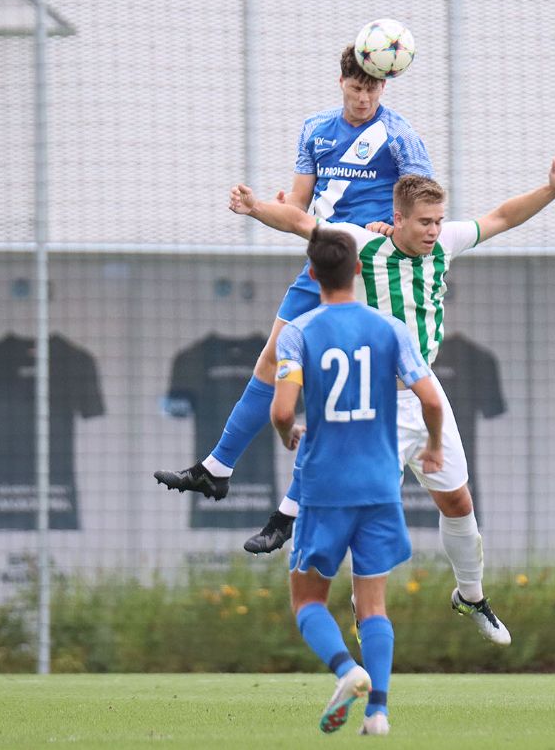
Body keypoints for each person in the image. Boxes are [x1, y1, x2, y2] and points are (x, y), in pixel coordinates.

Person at [230, 157, 555, 646]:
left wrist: (551, 190)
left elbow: (503, 217)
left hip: (422, 390)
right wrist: (255, 208)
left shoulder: (444, 243)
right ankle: (356, 601)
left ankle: (471, 596)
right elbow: (300, 222)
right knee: (366, 507)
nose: (434, 230)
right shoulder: (362, 243)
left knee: (457, 500)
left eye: (439, 220)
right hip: (373, 399)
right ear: (397, 218)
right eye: (424, 222)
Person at [154, 43, 431, 507]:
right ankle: (217, 468)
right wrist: (258, 207)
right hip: (324, 262)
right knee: (271, 358)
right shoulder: (315, 129)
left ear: (385, 85)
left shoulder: (401, 136)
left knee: (351, 386)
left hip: (376, 271)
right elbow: (298, 208)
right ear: (341, 82)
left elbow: (425, 206)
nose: (364, 98)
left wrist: (394, 226)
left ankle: (294, 509)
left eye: (373, 89)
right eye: (356, 88)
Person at [277, 227, 443, 736]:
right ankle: (378, 713)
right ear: (356, 269)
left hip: (325, 486)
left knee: (307, 600)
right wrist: (435, 446)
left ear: (312, 273)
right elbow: (431, 400)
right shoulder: (391, 329)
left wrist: (288, 432)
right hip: (378, 485)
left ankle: (347, 671)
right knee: (373, 605)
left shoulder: (298, 332)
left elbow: (281, 410)